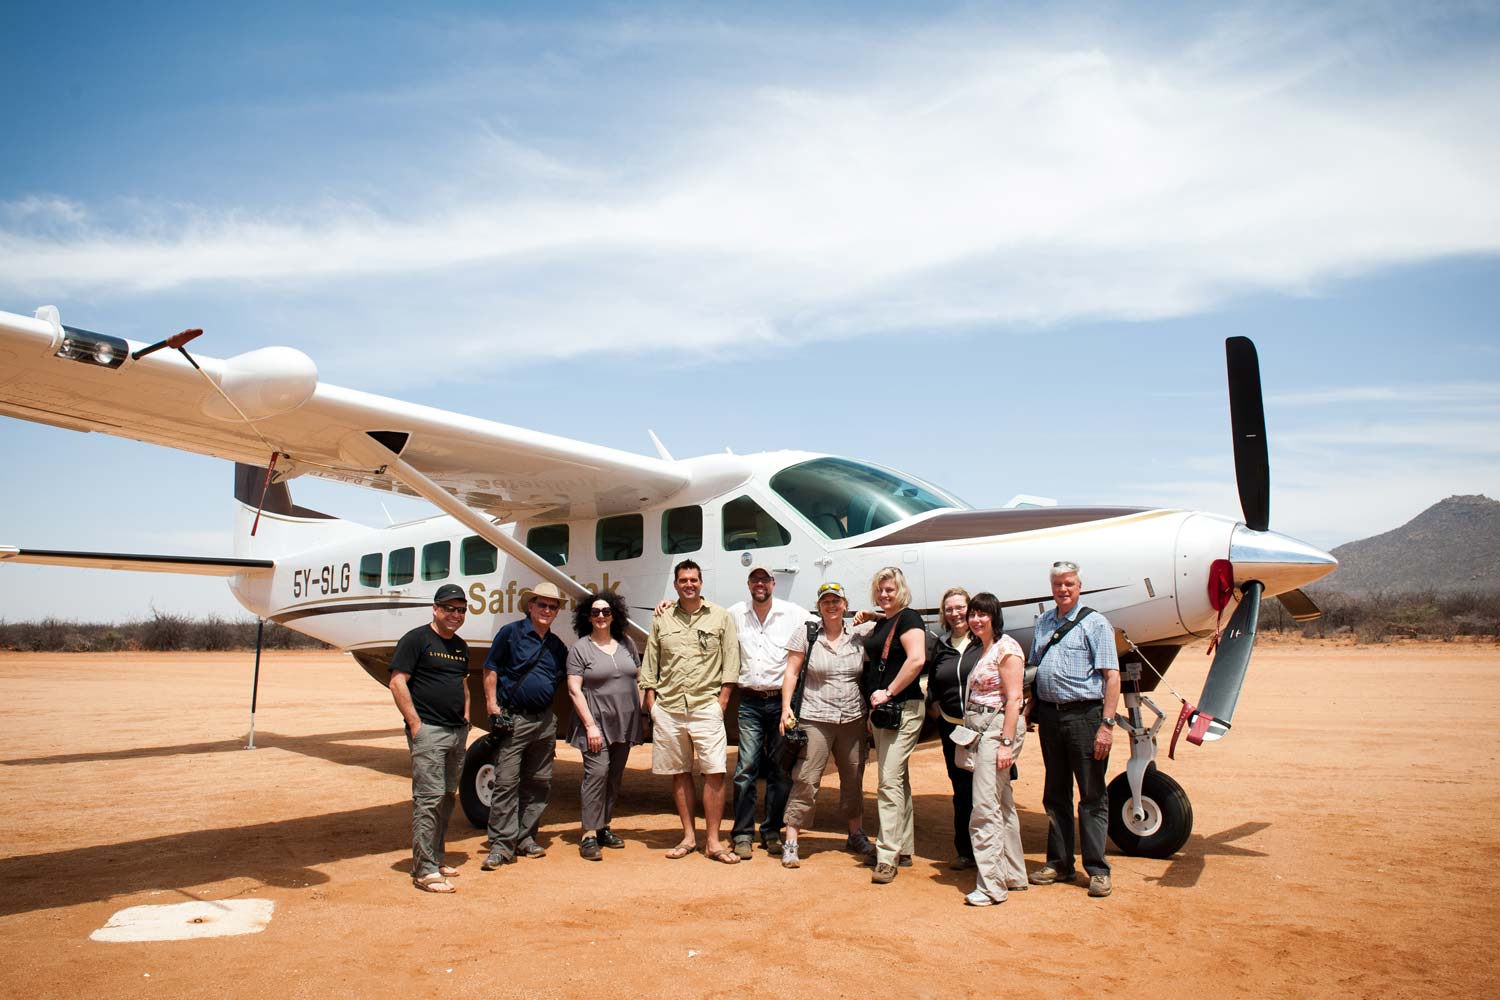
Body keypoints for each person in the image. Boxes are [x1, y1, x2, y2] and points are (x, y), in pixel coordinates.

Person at [1027, 560, 1121, 898]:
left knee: (1092, 795)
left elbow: (1112, 676)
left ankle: (1097, 869)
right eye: (1057, 585)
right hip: (1050, 717)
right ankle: (1059, 863)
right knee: (1055, 793)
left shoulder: (1096, 624)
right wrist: (1029, 706)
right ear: (1051, 588)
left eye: (1069, 584)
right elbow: (1035, 667)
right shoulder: (1044, 623)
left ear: (1079, 586)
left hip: (1086, 717)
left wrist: (1106, 726)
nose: (1063, 590)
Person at [639, 559, 742, 863]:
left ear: (701, 582)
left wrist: (721, 702)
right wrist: (651, 703)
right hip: (668, 707)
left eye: (693, 580)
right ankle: (688, 837)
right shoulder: (662, 618)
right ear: (675, 584)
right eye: (683, 580)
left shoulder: (720, 617)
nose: (689, 584)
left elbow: (730, 662)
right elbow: (651, 662)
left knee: (715, 772)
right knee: (680, 772)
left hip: (705, 705)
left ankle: (713, 841)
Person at [778, 582, 876, 868]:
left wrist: (872, 616)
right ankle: (792, 840)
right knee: (806, 778)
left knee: (853, 778)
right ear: (819, 606)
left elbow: (896, 621)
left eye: (837, 601)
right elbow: (791, 673)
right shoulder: (807, 634)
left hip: (852, 717)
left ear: (845, 605)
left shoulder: (860, 634)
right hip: (815, 717)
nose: (831, 606)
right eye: (826, 602)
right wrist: (786, 709)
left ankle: (855, 833)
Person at [388, 583, 472, 893]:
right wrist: (414, 723)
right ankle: (423, 869)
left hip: (456, 731)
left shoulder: (460, 646)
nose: (455, 614)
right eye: (449, 608)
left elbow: (462, 685)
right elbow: (398, 682)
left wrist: (466, 718)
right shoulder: (416, 639)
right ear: (435, 609)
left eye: (461, 610)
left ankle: (435, 857)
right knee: (428, 798)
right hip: (429, 732)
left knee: (449, 795)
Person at [481, 581, 569, 871]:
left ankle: (526, 836)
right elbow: (491, 668)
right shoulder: (511, 633)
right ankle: (501, 845)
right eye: (541, 604)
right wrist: (493, 706)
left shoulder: (556, 645)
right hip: (515, 718)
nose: (547, 610)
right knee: (507, 782)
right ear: (530, 606)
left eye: (552, 606)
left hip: (544, 720)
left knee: (539, 782)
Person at [726, 564, 808, 860]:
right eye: (754, 579)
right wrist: (668, 605)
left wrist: (867, 617)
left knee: (780, 770)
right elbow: (705, 619)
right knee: (745, 769)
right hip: (748, 701)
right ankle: (742, 834)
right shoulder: (735, 613)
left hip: (781, 703)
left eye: (765, 580)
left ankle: (772, 830)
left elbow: (826, 622)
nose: (760, 584)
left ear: (773, 584)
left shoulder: (793, 613)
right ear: (749, 584)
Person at [960, 592, 1028, 906]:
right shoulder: (984, 648)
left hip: (998, 730)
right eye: (973, 614)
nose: (976, 620)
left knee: (984, 806)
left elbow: (1014, 699)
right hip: (984, 729)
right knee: (1002, 804)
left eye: (982, 614)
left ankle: (991, 887)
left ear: (994, 616)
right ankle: (1013, 875)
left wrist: (1005, 743)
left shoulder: (1007, 648)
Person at [566, 591, 644, 861]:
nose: (601, 616)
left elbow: (637, 677)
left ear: (614, 616)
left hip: (624, 722)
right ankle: (588, 834)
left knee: (614, 777)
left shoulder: (626, 643)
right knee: (596, 774)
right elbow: (574, 690)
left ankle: (603, 827)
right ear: (587, 617)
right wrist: (590, 726)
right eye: (596, 612)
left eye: (606, 612)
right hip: (595, 723)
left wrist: (642, 710)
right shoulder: (580, 648)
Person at [863, 566, 927, 884]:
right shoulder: (887, 621)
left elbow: (916, 659)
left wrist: (888, 691)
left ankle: (886, 856)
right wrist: (871, 616)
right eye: (881, 590)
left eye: (890, 590)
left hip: (904, 707)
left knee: (887, 780)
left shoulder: (910, 618)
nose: (885, 594)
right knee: (897, 779)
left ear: (901, 590)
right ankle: (903, 847)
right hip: (885, 712)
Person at [927, 586, 976, 871]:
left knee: (989, 790)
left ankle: (994, 852)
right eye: (950, 609)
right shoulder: (941, 645)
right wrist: (940, 717)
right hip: (953, 731)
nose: (956, 613)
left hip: (984, 731)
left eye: (960, 608)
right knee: (961, 790)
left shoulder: (984, 643)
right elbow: (932, 686)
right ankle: (965, 851)